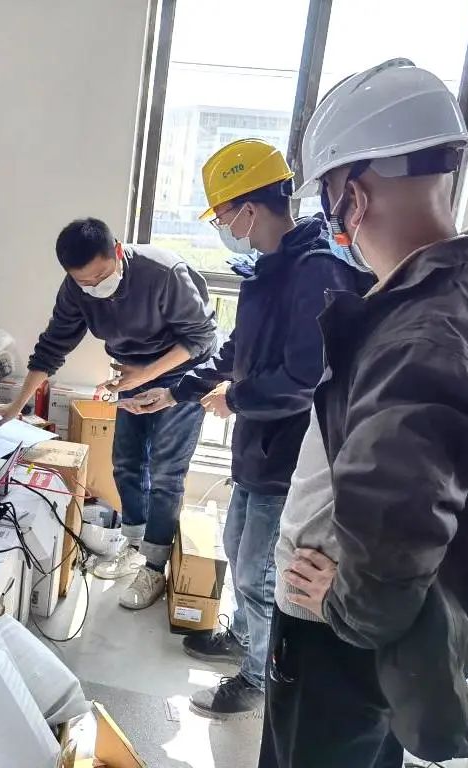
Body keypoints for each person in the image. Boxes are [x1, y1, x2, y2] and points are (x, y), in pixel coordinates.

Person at [260, 59, 468, 767]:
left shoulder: (419, 338)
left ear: (355, 196)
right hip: (394, 637)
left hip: (337, 638)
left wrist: (348, 605)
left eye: (328, 197)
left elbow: (396, 517)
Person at [126, 139, 369, 719]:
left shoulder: (316, 271)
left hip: (291, 454)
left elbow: (305, 378)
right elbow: (239, 348)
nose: (224, 228)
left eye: (223, 216)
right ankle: (245, 637)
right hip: (260, 447)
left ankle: (259, 676)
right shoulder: (274, 268)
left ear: (250, 210)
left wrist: (234, 398)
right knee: (239, 548)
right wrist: (178, 389)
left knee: (261, 569)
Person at [0, 217, 218, 609]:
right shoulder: (76, 289)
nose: (94, 287)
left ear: (118, 251)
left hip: (182, 373)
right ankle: (134, 544)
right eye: (84, 282)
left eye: (101, 276)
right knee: (126, 462)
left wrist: (147, 375)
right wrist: (16, 404)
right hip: (132, 372)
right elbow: (52, 346)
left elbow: (201, 337)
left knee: (166, 471)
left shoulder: (163, 273)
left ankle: (154, 565)